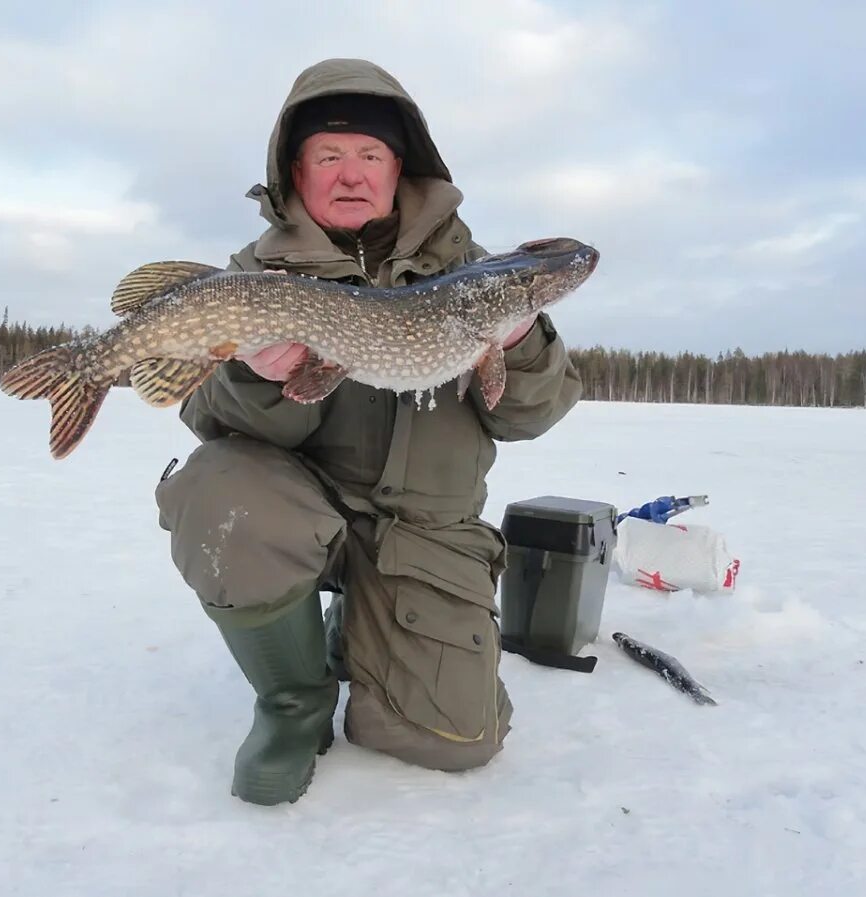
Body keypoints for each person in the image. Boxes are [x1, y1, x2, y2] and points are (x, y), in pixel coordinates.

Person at [155, 58, 583, 805]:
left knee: (456, 740)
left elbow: (532, 415)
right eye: (329, 156)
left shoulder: (474, 277)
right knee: (218, 490)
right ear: (296, 170)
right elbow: (204, 419)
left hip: (422, 533)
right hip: (298, 512)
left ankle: (363, 632)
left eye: (370, 156)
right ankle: (294, 703)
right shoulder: (255, 276)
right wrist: (259, 375)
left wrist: (515, 340)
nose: (350, 174)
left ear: (399, 168)